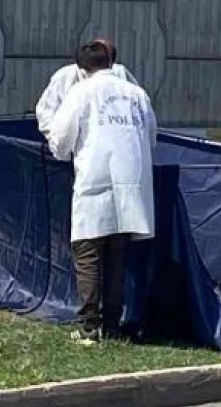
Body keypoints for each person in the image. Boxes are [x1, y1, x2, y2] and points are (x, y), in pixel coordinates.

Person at [46, 42, 158, 344]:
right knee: (117, 258)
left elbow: (59, 142)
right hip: (131, 189)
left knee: (88, 256)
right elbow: (152, 138)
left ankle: (88, 328)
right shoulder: (138, 94)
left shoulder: (81, 92)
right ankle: (112, 326)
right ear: (110, 62)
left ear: (82, 70)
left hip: (95, 185)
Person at [36, 38, 138, 137]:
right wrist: (55, 139)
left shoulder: (122, 76)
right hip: (71, 143)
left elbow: (138, 109)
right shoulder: (65, 77)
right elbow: (45, 111)